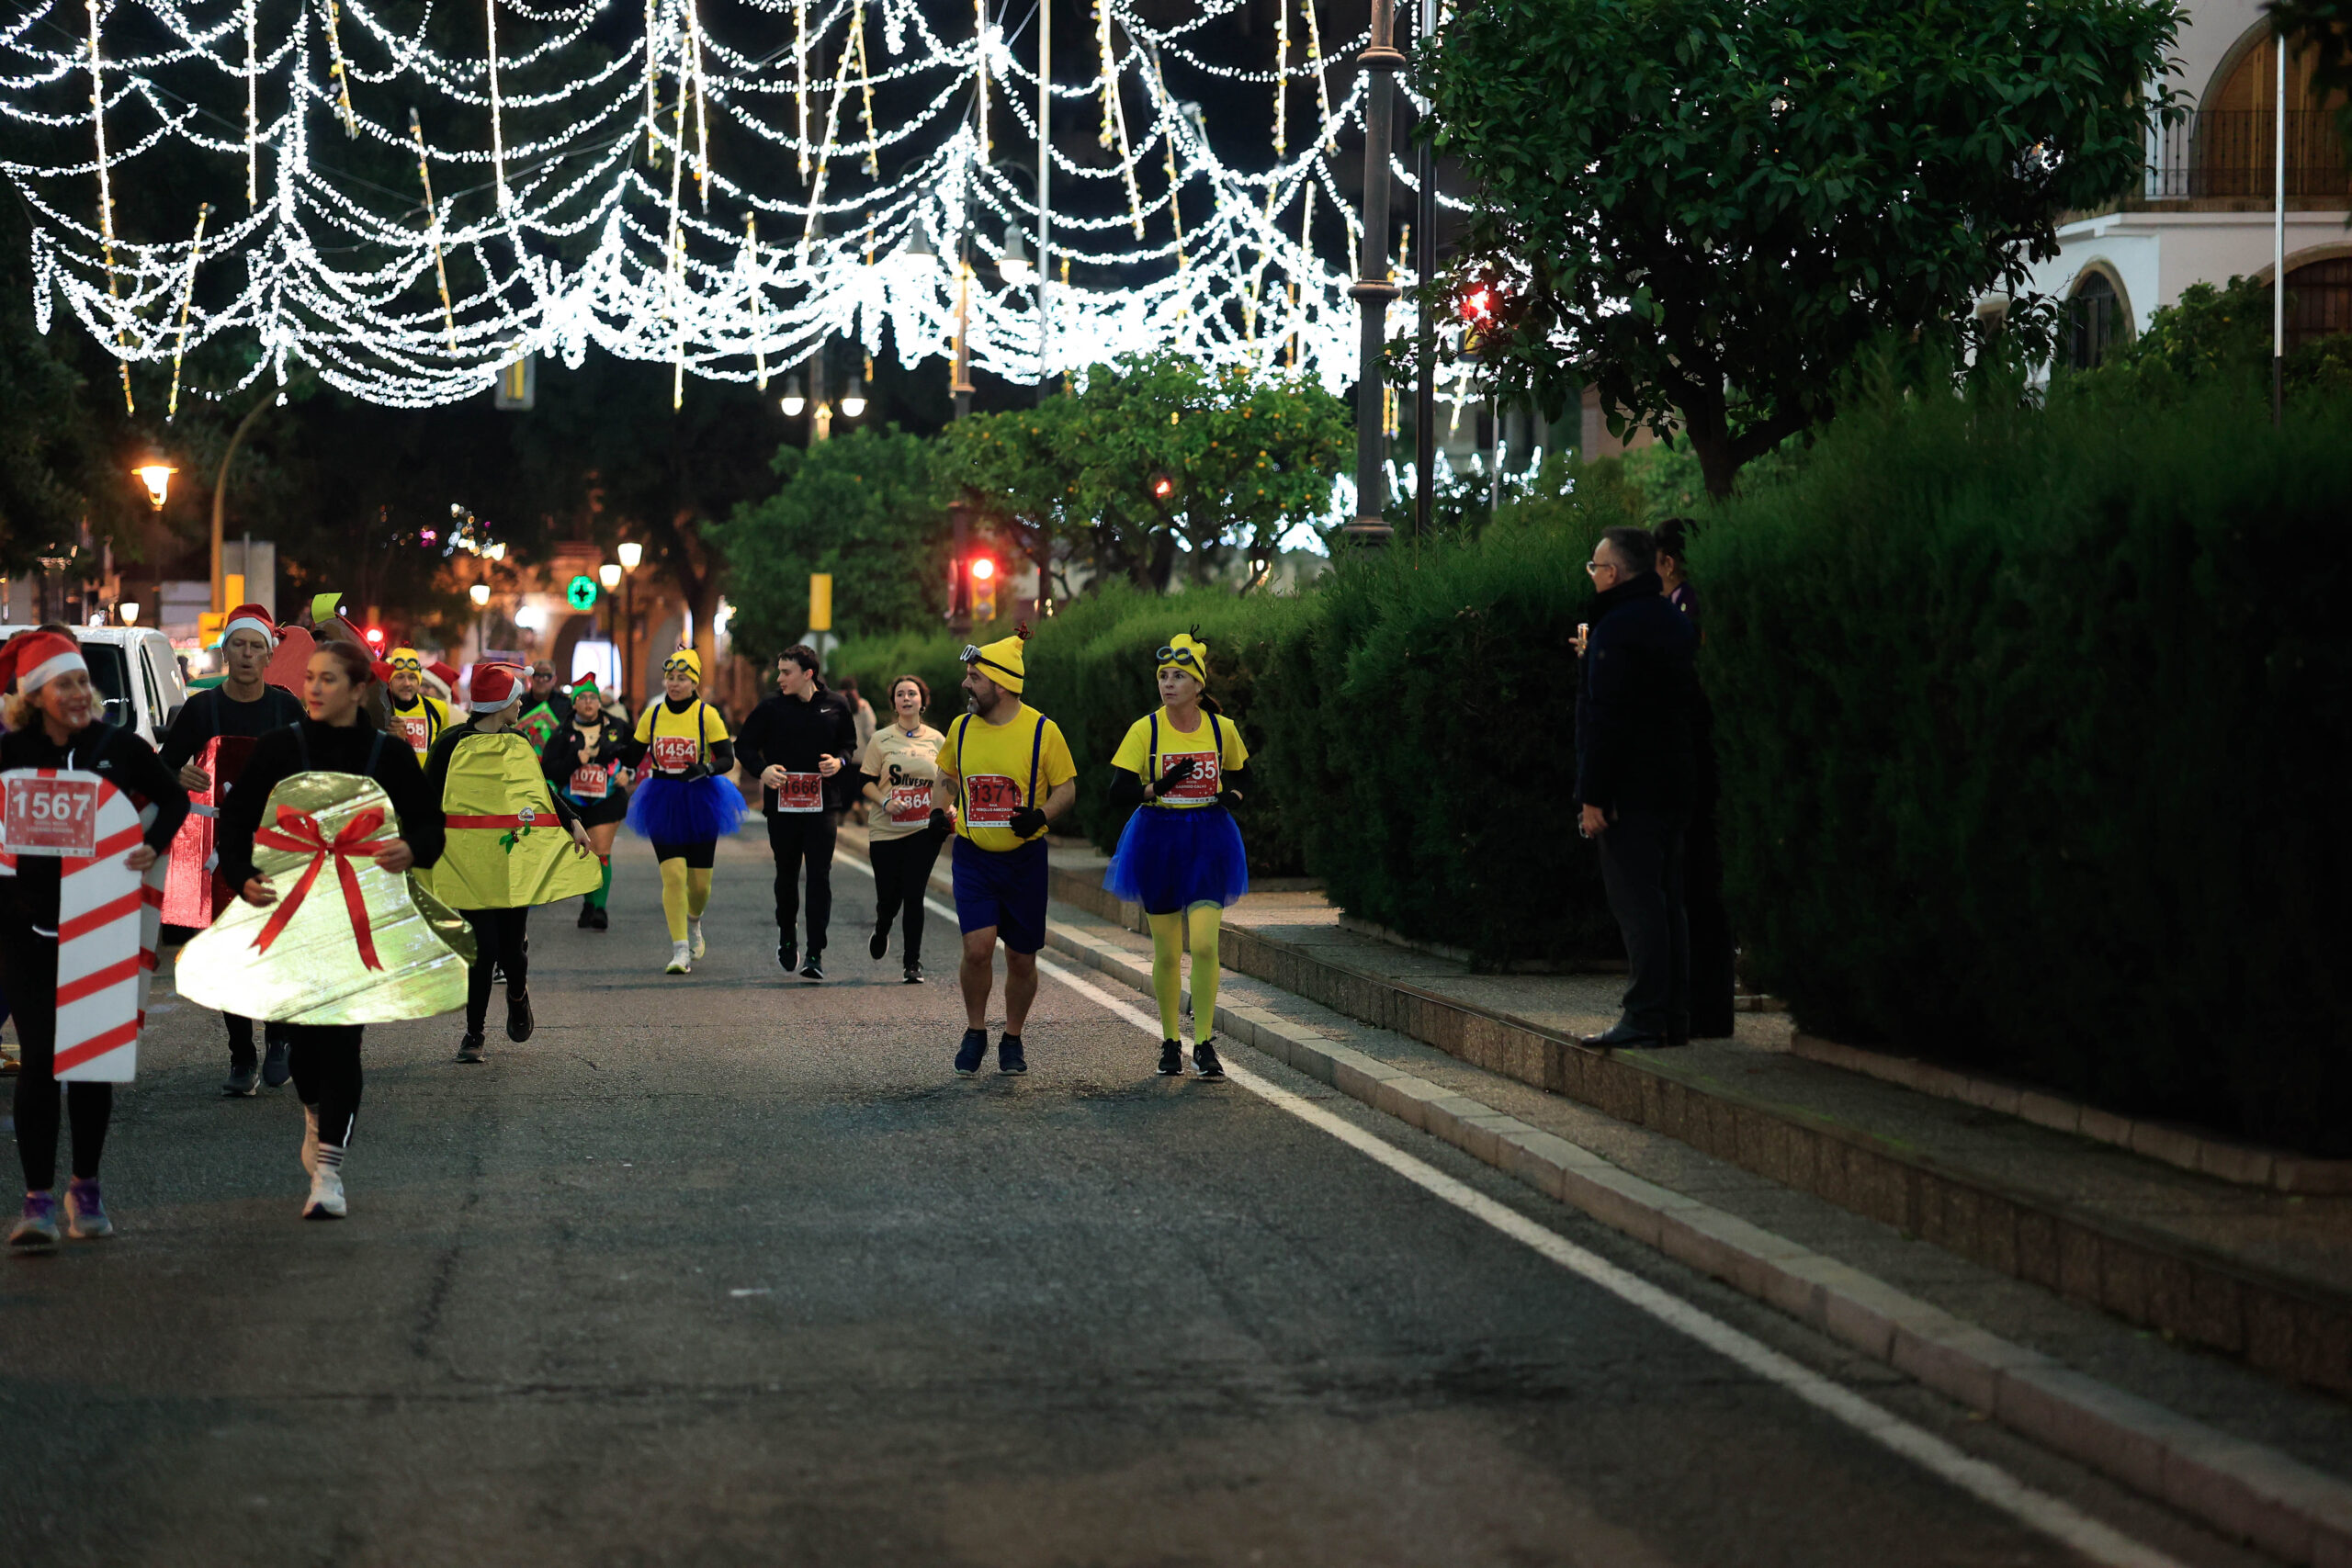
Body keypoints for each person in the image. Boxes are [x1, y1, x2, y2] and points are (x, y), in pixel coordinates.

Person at [216, 640, 445, 1220]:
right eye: (311, 677)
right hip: (291, 918)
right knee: (303, 1050)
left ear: (359, 689)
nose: (315, 688)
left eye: (329, 679)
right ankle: (315, 1115)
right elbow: (235, 822)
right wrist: (242, 877)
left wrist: (411, 848)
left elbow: (430, 826)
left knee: (343, 1042)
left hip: (359, 921)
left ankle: (329, 1173)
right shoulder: (279, 748)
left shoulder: (389, 754)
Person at [0, 630, 189, 1249]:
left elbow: (174, 798)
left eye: (85, 680)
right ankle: (36, 1202)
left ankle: (86, 1185)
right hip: (24, 929)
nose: (82, 692)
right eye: (67, 683)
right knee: (38, 1060)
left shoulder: (118, 746)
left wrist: (152, 845)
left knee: (89, 1064)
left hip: (101, 924)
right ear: (35, 695)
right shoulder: (9, 753)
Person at [159, 603, 305, 1096]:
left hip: (278, 846)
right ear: (225, 651)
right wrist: (177, 774)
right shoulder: (202, 709)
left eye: (255, 647)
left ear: (269, 655)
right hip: (219, 850)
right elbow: (161, 767)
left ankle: (279, 1037)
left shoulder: (287, 710)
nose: (245, 654)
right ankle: (242, 1055)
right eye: (237, 644)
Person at [423, 663, 594, 1063]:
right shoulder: (450, 744)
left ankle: (517, 995)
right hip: (468, 862)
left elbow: (539, 792)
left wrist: (571, 820)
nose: (521, 704)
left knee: (512, 950)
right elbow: (425, 795)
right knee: (482, 949)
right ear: (501, 704)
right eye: (517, 698)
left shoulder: (518, 742)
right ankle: (474, 1033)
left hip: (513, 859)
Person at [1102, 630, 1251, 1081]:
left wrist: (1234, 796)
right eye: (1163, 676)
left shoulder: (1221, 729)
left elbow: (1244, 775)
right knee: (1167, 952)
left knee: (1204, 944)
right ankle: (1170, 1041)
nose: (1168, 684)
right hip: (1158, 838)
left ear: (1198, 686)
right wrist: (1158, 787)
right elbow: (1117, 791)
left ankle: (1204, 1043)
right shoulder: (1144, 729)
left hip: (1209, 837)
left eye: (1178, 677)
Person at [1575, 526, 1703, 1049]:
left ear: (1614, 573)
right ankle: (1673, 1015)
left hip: (1629, 788)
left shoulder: (1617, 627)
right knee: (1668, 900)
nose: (1592, 575)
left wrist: (1593, 796)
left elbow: (1607, 718)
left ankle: (1645, 1014)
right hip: (1674, 780)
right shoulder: (1673, 621)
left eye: (1595, 566)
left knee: (1637, 903)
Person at [929, 626, 1077, 1077]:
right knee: (977, 948)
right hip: (973, 856)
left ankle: (1012, 1037)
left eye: (974, 678)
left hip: (1024, 861)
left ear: (1002, 685)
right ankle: (975, 1031)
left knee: (1021, 957)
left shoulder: (1043, 731)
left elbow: (1067, 789)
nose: (966, 684)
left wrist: (1041, 816)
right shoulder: (961, 728)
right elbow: (947, 776)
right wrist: (938, 810)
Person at [1653, 517, 1734, 1038]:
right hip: (1693, 764)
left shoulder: (1688, 610)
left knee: (1698, 889)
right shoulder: (1687, 607)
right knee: (1694, 889)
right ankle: (1701, 1008)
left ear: (1667, 563)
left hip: (1695, 766)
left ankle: (1705, 1010)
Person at [734, 646, 857, 979]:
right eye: (779, 671)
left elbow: (848, 744)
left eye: (786, 672)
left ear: (808, 674)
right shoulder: (771, 706)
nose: (779, 678)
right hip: (783, 806)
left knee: (819, 876)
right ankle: (787, 935)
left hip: (823, 804)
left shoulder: (836, 704)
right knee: (786, 875)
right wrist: (762, 770)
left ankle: (815, 953)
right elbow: (744, 745)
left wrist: (839, 761)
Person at [623, 649, 742, 975]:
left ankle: (694, 921)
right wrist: (612, 744)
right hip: (662, 797)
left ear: (694, 683)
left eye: (682, 679)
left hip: (701, 797)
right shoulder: (653, 715)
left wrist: (705, 768)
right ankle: (680, 951)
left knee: (700, 885)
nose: (674, 684)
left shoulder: (707, 715)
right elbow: (632, 755)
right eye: (670, 678)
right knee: (673, 875)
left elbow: (727, 759)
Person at [858, 674, 949, 983]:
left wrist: (947, 806)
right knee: (889, 898)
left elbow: (948, 779)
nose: (906, 698)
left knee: (914, 893)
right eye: (900, 694)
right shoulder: (880, 739)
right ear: (894, 703)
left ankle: (912, 963)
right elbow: (865, 781)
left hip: (923, 829)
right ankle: (882, 926)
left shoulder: (937, 740)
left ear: (923, 701)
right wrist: (885, 802)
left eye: (912, 693)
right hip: (886, 830)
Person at [542, 677, 632, 930]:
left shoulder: (617, 727)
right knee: (585, 854)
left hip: (608, 798)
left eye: (593, 697)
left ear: (600, 701)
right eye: (582, 698)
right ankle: (588, 903)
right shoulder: (561, 732)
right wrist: (575, 761)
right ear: (574, 703)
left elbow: (635, 755)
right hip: (573, 802)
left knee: (601, 851)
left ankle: (600, 909)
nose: (589, 702)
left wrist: (629, 773)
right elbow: (548, 770)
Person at [382, 647, 453, 763]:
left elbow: (445, 751)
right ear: (390, 681)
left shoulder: (437, 709)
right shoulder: (381, 709)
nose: (407, 683)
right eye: (400, 677)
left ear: (419, 681)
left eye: (412, 677)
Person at [525, 661, 573, 729]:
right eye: (537, 675)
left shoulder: (566, 705)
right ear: (530, 678)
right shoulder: (519, 704)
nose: (541, 680)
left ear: (554, 680)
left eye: (546, 676)